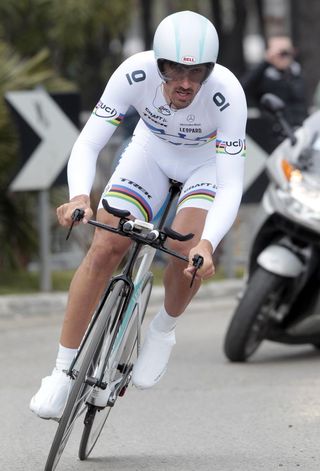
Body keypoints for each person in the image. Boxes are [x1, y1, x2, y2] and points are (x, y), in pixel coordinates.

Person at [30, 10, 247, 420]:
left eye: (196, 72)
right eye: (174, 71)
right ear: (158, 63)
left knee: (186, 253)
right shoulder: (134, 74)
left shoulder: (228, 93)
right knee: (105, 244)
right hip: (151, 152)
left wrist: (208, 243)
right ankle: (61, 371)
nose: (185, 83)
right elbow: (89, 143)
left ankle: (163, 329)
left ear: (210, 70)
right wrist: (80, 197)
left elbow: (232, 183)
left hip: (205, 164)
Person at [242, 35, 308, 146]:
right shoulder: (263, 77)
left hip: (301, 134)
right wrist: (266, 62)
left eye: (286, 52)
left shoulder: (298, 74)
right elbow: (243, 88)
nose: (284, 57)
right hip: (275, 137)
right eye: (280, 53)